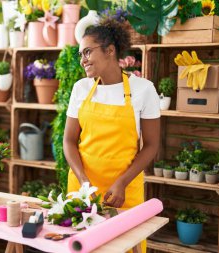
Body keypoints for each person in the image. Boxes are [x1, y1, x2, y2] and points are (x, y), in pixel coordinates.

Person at [64, 19, 160, 214]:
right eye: (80, 54)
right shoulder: (81, 88)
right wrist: (84, 182)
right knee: (81, 244)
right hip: (83, 189)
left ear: (110, 50)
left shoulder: (143, 89)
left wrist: (122, 182)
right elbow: (68, 140)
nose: (83, 60)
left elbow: (151, 145)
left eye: (88, 52)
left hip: (123, 190)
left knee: (125, 244)